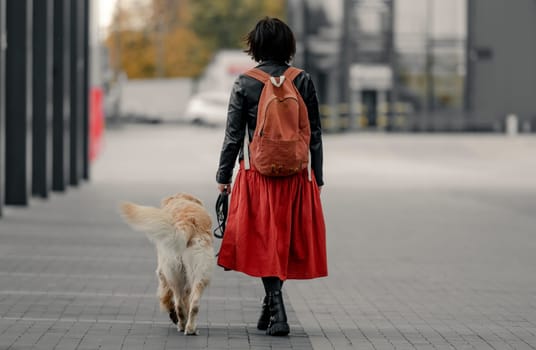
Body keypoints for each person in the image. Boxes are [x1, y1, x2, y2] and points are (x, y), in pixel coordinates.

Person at [215, 17, 327, 336]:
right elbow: (315, 131)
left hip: (257, 174)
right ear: (288, 46)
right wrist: (317, 175)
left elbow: (233, 136)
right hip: (295, 174)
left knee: (266, 241)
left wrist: (223, 177)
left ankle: (276, 306)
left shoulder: (244, 82)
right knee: (284, 240)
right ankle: (271, 306)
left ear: (256, 46)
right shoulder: (302, 80)